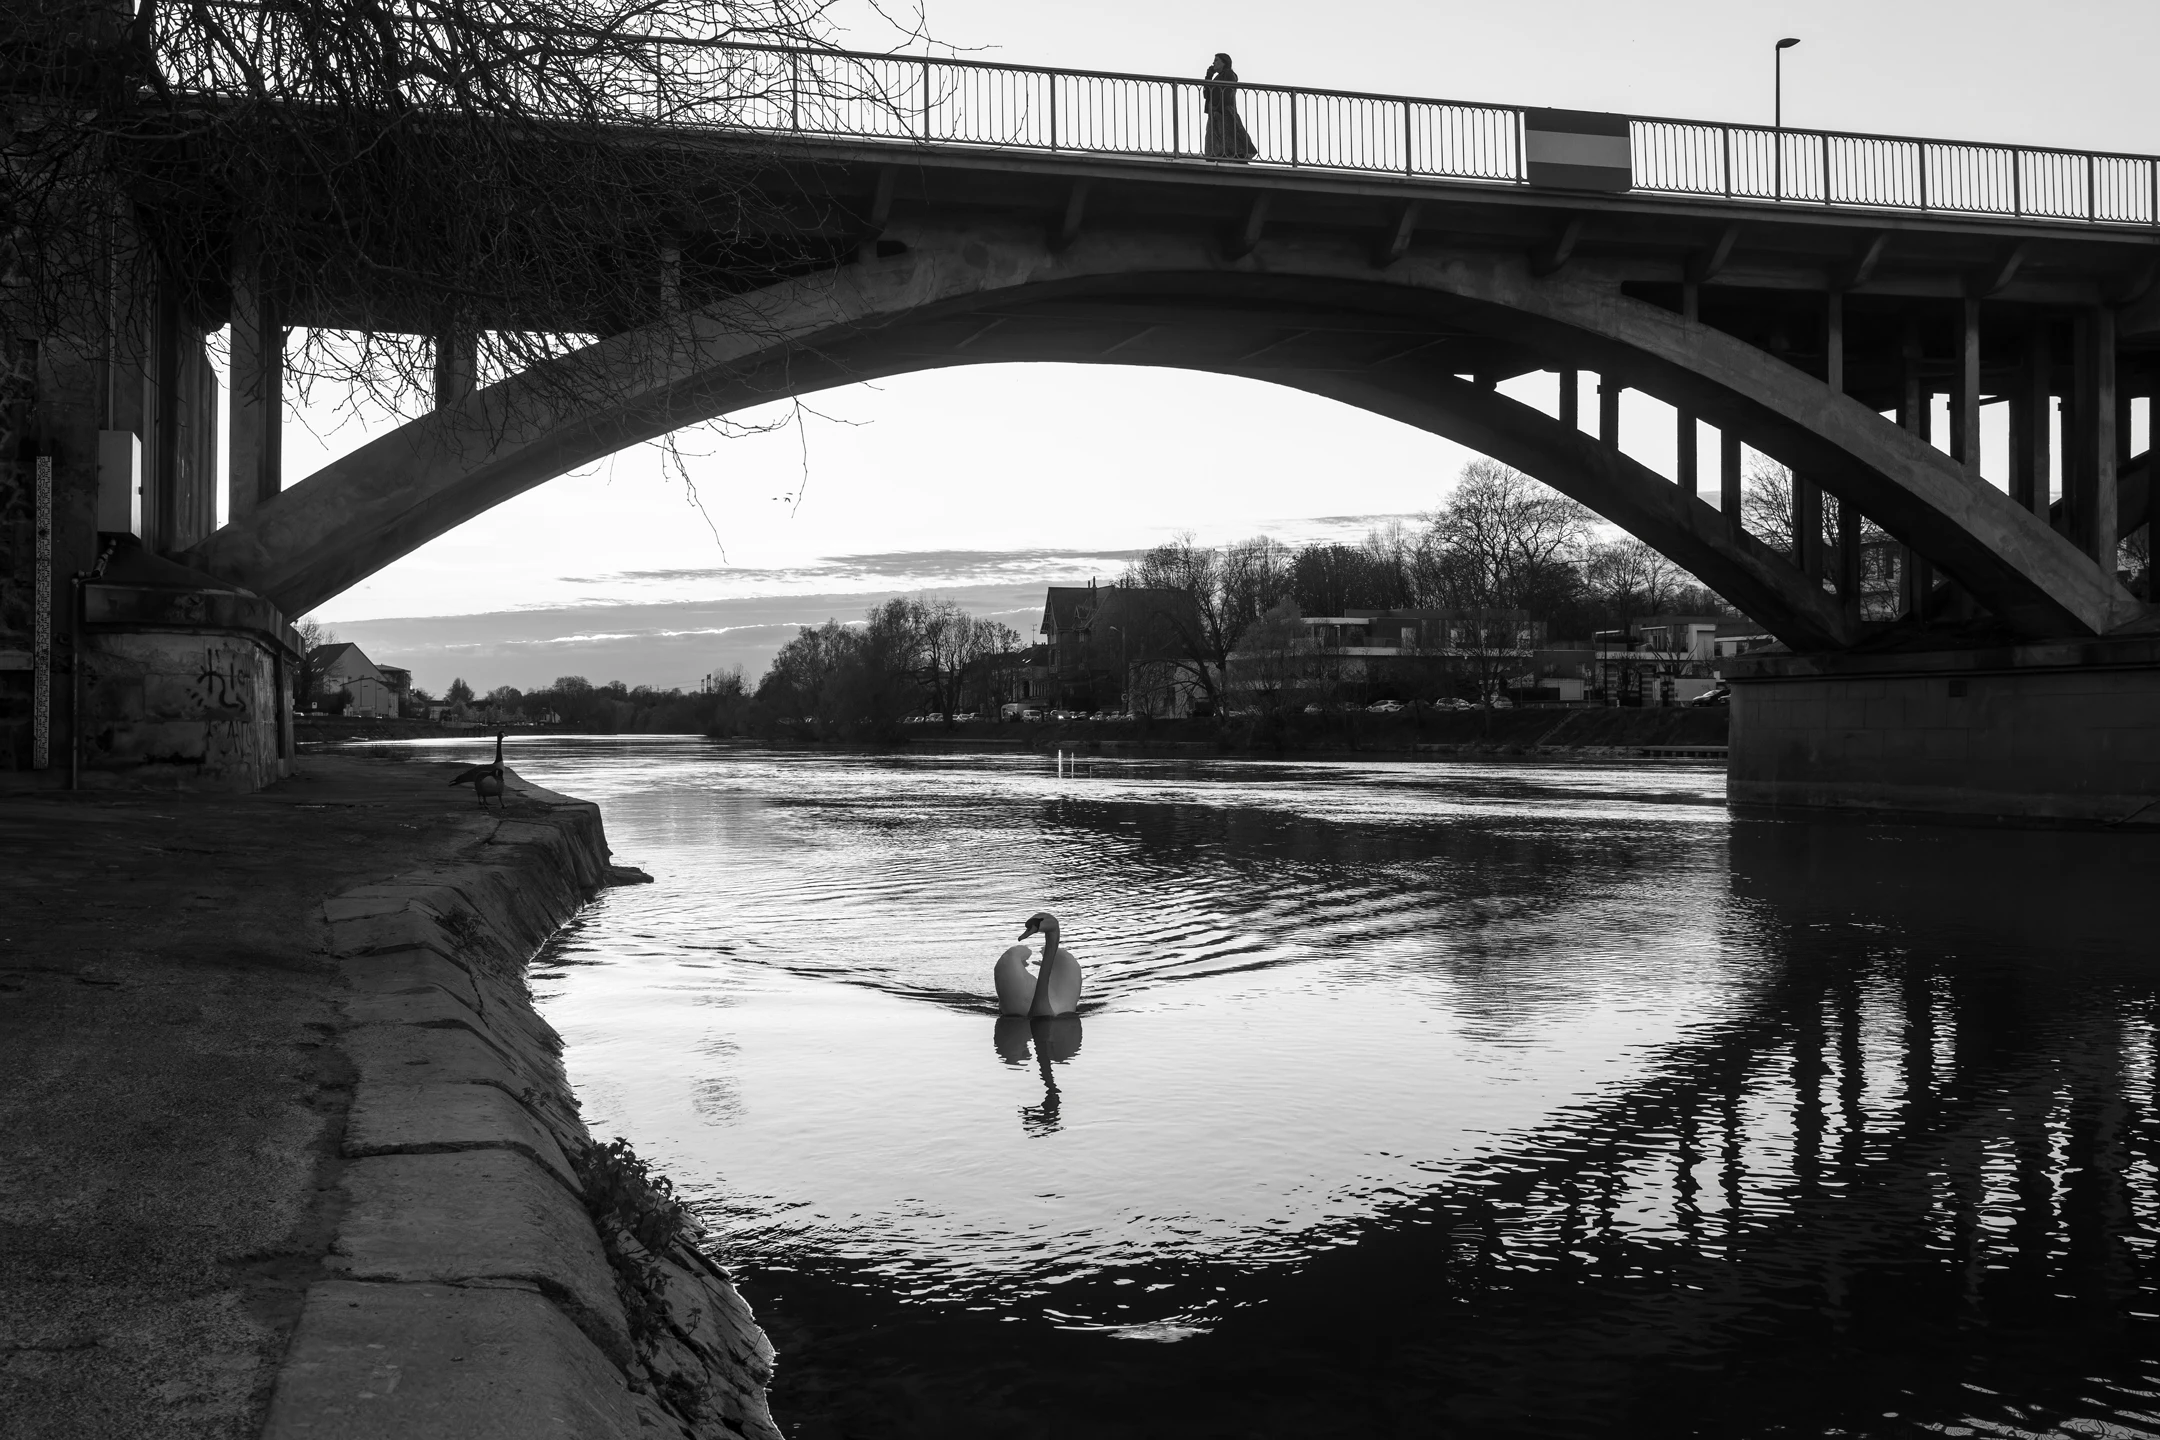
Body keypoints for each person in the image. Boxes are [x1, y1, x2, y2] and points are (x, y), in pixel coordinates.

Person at [1202, 53, 1258, 162]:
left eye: (1216, 60)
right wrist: (1208, 76)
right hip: (1215, 111)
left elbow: (1228, 92)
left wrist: (1219, 108)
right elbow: (1206, 94)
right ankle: (1221, 155)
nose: (1213, 63)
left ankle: (1235, 154)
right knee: (1217, 135)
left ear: (1224, 63)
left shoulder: (1229, 74)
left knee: (1230, 133)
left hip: (1224, 110)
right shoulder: (1217, 77)